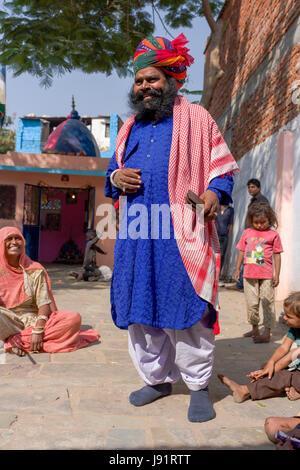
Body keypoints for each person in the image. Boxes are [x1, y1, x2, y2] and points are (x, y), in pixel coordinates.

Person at [104, 33, 239, 423]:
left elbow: (222, 168)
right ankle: (157, 379)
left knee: (187, 308)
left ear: (171, 79)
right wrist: (116, 177)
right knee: (141, 308)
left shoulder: (197, 118)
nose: (145, 87)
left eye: (153, 79)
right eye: (140, 80)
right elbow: (110, 172)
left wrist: (215, 193)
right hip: (137, 233)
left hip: (182, 233)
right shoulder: (129, 127)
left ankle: (198, 385)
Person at [0, 226, 99, 356]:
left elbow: (43, 303)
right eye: (9, 239)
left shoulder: (35, 269)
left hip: (33, 321)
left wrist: (38, 329)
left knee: (73, 318)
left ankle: (14, 341)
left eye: (17, 238)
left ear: (23, 243)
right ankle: (22, 340)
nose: (14, 242)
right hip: (8, 321)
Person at [218, 291, 300, 403]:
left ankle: (244, 391)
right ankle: (287, 388)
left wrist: (266, 371)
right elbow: (283, 348)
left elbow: (290, 356)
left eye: (289, 316)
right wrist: (270, 363)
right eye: (284, 314)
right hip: (295, 367)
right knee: (268, 367)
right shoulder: (295, 329)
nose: (284, 318)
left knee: (282, 376)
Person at [233, 202, 283, 343]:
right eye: (256, 222)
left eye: (263, 222)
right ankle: (254, 328)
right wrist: (237, 269)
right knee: (251, 303)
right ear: (251, 220)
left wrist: (276, 274)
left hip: (266, 275)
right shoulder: (247, 233)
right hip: (249, 275)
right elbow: (242, 251)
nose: (259, 225)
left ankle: (267, 332)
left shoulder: (273, 235)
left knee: (268, 303)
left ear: (270, 220)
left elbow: (277, 255)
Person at [226, 178, 269, 292]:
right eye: (249, 187)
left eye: (253, 187)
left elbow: (263, 217)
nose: (250, 189)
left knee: (252, 258)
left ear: (258, 188)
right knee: (251, 258)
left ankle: (242, 284)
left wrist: (255, 230)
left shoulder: (261, 200)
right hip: (251, 233)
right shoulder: (254, 200)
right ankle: (246, 284)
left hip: (256, 234)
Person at [215, 204, 234, 285]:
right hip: (215, 235)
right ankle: (212, 276)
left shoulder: (230, 210)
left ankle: (218, 277)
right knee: (214, 255)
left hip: (224, 236)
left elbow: (231, 224)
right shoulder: (217, 207)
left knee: (222, 256)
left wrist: (228, 235)